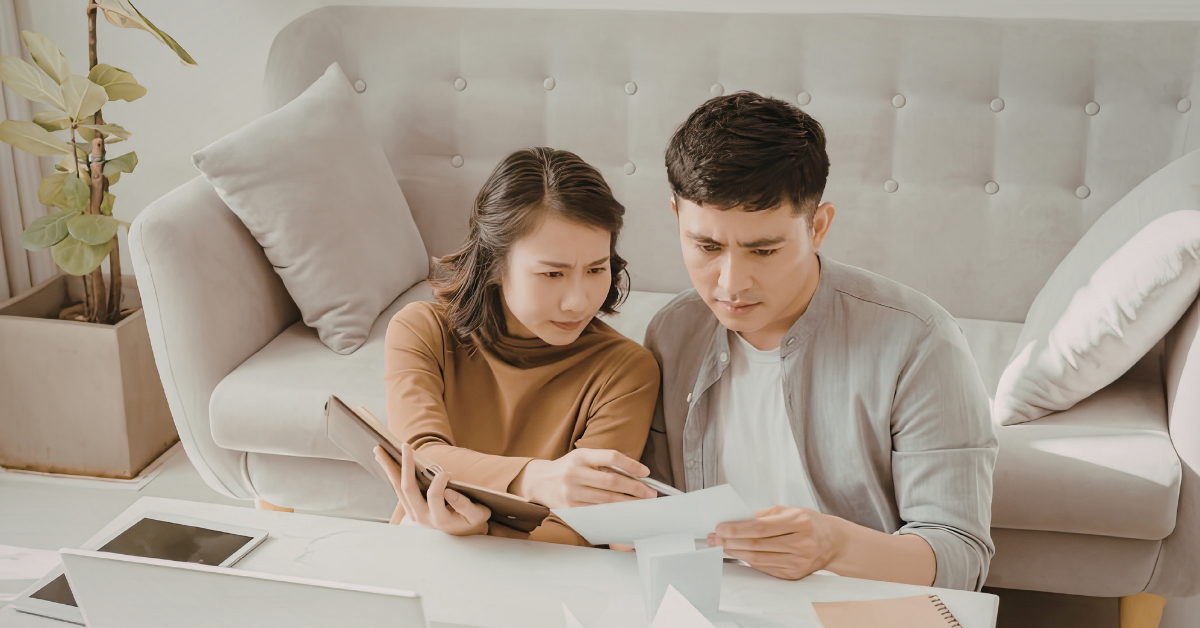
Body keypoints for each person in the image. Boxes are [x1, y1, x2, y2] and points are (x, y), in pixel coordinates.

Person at [640, 92, 998, 591]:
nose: (730, 283)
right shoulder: (673, 331)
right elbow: (658, 512)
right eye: (706, 246)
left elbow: (961, 559)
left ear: (820, 226)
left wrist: (835, 547)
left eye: (763, 250)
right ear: (676, 215)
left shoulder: (918, 340)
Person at [373, 147, 659, 545]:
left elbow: (579, 530)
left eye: (596, 269)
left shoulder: (626, 370)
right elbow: (421, 459)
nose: (578, 300)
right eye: (552, 273)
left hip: (544, 577)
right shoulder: (422, 331)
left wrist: (479, 530)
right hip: (426, 545)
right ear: (495, 264)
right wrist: (535, 479)